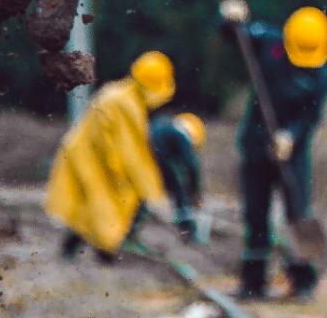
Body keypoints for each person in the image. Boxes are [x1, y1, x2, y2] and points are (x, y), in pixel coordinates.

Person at [222, 0, 327, 300]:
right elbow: (235, 34)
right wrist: (231, 18)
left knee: (298, 213)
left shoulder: (322, 74)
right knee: (255, 213)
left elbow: (311, 115)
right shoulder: (269, 44)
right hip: (257, 144)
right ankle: (253, 281)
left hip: (293, 153)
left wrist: (291, 136)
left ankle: (302, 281)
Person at [45, 51, 174, 262]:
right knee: (106, 207)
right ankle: (104, 253)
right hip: (91, 160)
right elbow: (128, 150)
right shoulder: (125, 104)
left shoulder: (121, 95)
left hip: (89, 157)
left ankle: (83, 251)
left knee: (90, 209)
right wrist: (148, 187)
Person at [150, 108, 207, 243]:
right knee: (178, 189)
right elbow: (191, 166)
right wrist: (194, 191)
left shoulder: (167, 125)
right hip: (156, 153)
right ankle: (187, 231)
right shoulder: (182, 135)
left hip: (145, 148)